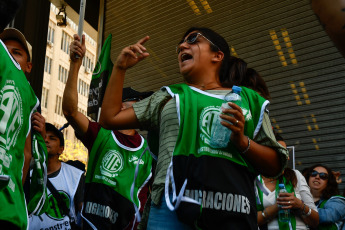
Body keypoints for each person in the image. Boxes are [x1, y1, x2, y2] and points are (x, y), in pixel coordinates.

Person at [99, 27, 289, 229]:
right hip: (171, 204)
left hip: (232, 207)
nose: (182, 46)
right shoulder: (168, 96)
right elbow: (110, 118)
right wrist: (120, 68)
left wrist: (243, 142)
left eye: (192, 39)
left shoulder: (249, 101)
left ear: (217, 55)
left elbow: (276, 165)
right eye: (180, 45)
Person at [63, 34, 154, 229]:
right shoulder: (101, 133)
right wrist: (74, 66)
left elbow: (144, 202)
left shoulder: (148, 151)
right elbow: (70, 111)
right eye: (138, 101)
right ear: (120, 106)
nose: (144, 106)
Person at [0, 0, 41, 229]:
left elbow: (27, 155)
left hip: (10, 208)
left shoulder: (32, 101)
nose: (9, 56)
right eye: (5, 50)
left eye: (17, 53)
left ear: (29, 66)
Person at [257, 132, 319, 230]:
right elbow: (248, 220)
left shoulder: (295, 176)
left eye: (287, 152)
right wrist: (277, 207)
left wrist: (300, 205)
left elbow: (315, 221)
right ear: (267, 154)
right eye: (282, 152)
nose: (288, 157)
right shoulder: (255, 180)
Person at [29, 123, 85, 229]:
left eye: (52, 138)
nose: (46, 140)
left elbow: (83, 211)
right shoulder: (25, 175)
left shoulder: (75, 176)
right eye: (43, 137)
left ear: (61, 149)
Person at [305, 164, 345, 230]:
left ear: (328, 182)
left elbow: (327, 216)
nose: (317, 177)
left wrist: (301, 208)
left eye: (323, 176)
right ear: (308, 177)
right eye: (313, 173)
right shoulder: (300, 198)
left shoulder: (338, 200)